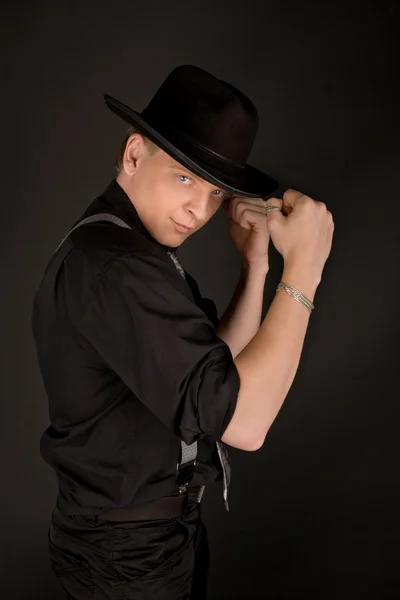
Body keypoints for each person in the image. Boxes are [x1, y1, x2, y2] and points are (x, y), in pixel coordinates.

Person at [31, 64, 334, 599]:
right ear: (132, 155)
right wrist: (305, 268)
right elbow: (245, 423)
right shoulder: (119, 269)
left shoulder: (131, 252)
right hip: (126, 552)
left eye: (216, 193)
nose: (200, 209)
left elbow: (213, 379)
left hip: (152, 538)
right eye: (184, 177)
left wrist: (256, 270)